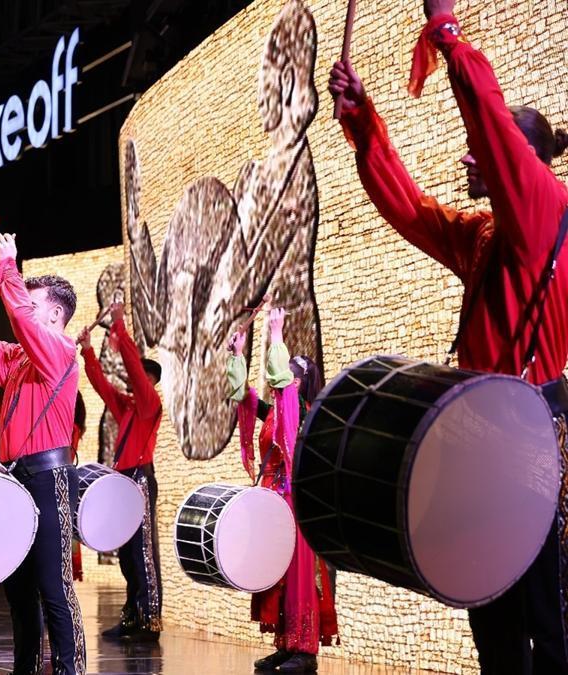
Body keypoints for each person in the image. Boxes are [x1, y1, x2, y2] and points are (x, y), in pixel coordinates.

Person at [330, 1, 568, 670]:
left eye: (482, 150)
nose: (468, 154)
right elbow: (410, 208)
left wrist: (447, 32)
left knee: (548, 623)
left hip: (534, 436)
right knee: (491, 613)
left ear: (520, 163)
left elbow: (488, 122)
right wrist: (362, 119)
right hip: (486, 437)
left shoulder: (545, 210)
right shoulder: (488, 235)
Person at [0, 229, 85, 675]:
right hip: (15, 478)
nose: (23, 306)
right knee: (20, 590)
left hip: (48, 478)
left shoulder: (61, 351)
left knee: (54, 587)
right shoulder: (22, 358)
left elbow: (21, 317)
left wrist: (8, 267)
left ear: (56, 314)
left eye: (33, 301)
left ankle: (70, 670)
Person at [227, 308, 337, 673]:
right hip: (274, 502)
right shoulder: (277, 411)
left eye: (291, 375)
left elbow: (280, 383)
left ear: (301, 383)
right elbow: (243, 395)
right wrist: (237, 355)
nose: (282, 379)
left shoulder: (303, 412)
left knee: (299, 574)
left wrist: (276, 335)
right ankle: (285, 644)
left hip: (295, 504)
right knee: (278, 574)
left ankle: (305, 648)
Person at [79, 301, 164, 643]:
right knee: (128, 553)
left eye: (141, 375)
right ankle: (132, 616)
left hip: (140, 478)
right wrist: (88, 350)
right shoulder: (128, 407)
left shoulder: (149, 404)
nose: (134, 378)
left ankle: (149, 619)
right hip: (124, 480)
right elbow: (101, 385)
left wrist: (120, 325)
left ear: (150, 380)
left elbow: (133, 367)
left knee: (142, 551)